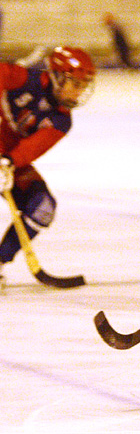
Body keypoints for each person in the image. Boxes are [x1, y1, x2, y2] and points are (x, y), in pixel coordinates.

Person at [0, 47, 95, 291]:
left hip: (4, 158)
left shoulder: (61, 121)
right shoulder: (23, 79)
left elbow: (30, 149)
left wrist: (8, 162)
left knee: (42, 207)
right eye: (75, 84)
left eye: (84, 85)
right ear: (57, 77)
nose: (80, 91)